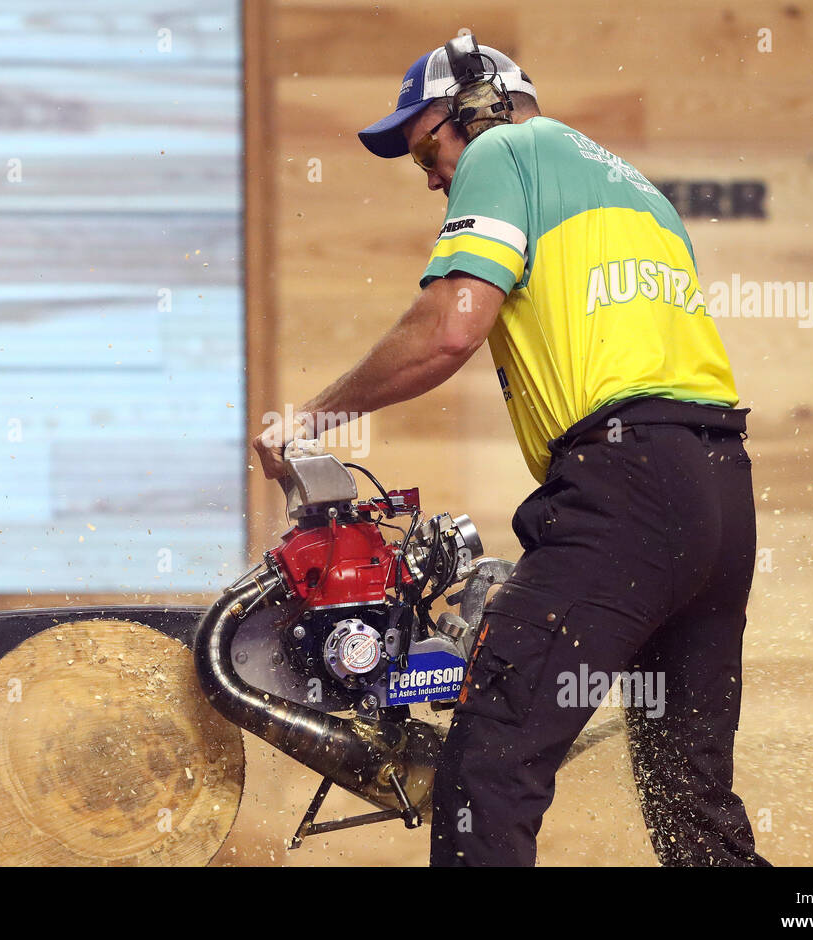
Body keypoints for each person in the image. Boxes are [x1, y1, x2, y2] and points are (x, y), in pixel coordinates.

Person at [252, 39, 769, 867]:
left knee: (487, 771)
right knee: (692, 800)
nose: (430, 176)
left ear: (479, 108)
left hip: (625, 491)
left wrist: (311, 418)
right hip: (718, 492)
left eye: (428, 150)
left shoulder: (504, 148)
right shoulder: (637, 191)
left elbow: (449, 328)